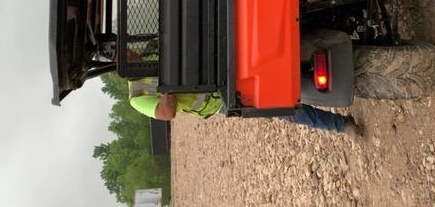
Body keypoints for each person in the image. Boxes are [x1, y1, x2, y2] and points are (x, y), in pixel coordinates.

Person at [127, 76, 362, 139]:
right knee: (281, 108)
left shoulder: (151, 49)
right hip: (219, 100)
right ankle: (341, 125)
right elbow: (167, 113)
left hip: (221, 69)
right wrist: (169, 84)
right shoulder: (137, 95)